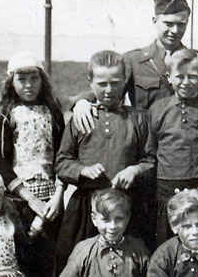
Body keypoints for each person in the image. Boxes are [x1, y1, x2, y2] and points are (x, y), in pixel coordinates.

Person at [71, 0, 198, 134]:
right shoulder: (133, 60)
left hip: (182, 143)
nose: (175, 30)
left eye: (181, 24)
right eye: (169, 24)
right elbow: (109, 87)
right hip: (145, 141)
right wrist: (82, 102)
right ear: (154, 21)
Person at [55, 50, 153, 273]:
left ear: (124, 81)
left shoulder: (138, 118)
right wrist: (82, 170)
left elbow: (151, 159)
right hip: (87, 209)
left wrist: (135, 170)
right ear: (90, 82)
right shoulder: (81, 117)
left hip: (126, 208)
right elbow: (61, 162)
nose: (109, 90)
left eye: (115, 83)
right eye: (102, 83)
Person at [0, 51, 66, 277]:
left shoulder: (53, 112)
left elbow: (63, 154)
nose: (29, 85)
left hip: (51, 200)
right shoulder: (5, 116)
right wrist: (30, 199)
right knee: (21, 262)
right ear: (11, 83)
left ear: (43, 81)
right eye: (22, 80)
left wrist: (57, 196)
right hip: (18, 202)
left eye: (34, 79)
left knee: (48, 261)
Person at [145, 48, 198, 246]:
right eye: (180, 76)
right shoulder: (158, 109)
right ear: (169, 77)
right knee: (168, 254)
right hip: (166, 197)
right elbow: (150, 156)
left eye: (192, 76)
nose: (185, 82)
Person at [60, 188, 150, 277]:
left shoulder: (138, 249)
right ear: (94, 219)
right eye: (106, 220)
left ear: (128, 218)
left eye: (119, 219)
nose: (112, 226)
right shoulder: (84, 250)